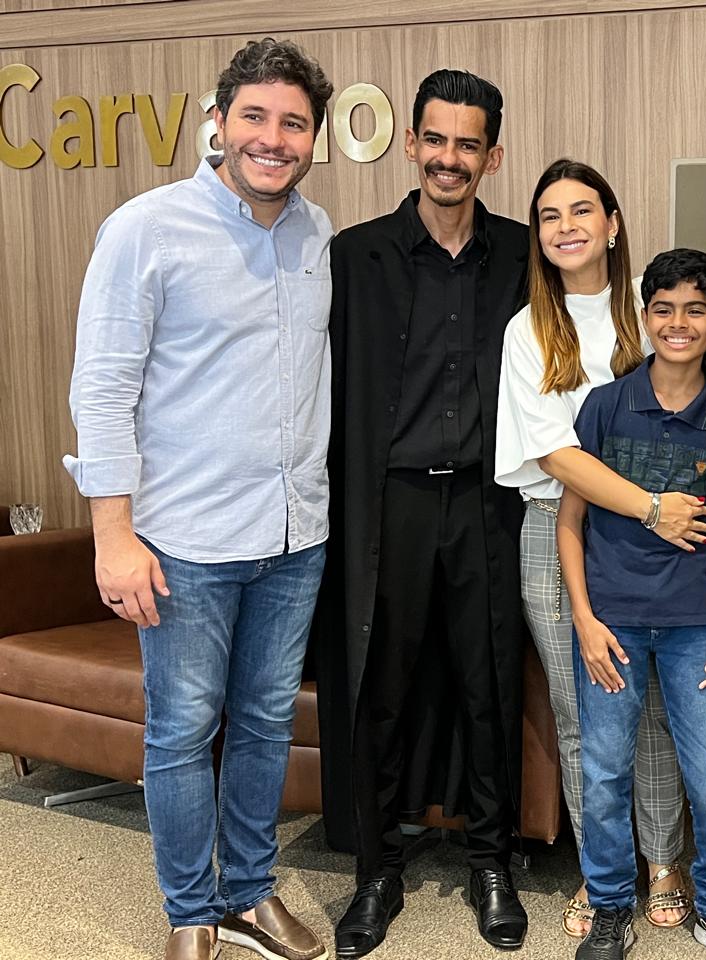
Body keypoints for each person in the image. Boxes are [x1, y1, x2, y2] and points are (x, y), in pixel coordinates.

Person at [63, 38, 333, 960]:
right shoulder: (145, 228)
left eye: (293, 123)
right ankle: (191, 911)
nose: (272, 138)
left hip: (295, 537)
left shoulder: (317, 235)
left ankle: (250, 893)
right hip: (183, 542)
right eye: (254, 116)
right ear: (218, 121)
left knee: (264, 723)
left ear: (313, 138)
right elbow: (103, 388)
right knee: (181, 732)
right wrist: (112, 536)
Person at [318, 70, 529, 957]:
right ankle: (377, 870)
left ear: (492, 156)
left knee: (490, 683)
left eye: (467, 144)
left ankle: (490, 862)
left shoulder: (523, 255)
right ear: (410, 144)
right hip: (389, 503)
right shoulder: (354, 256)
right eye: (435, 139)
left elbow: (626, 304)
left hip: (488, 500)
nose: (450, 158)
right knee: (381, 688)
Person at [495, 159, 706, 937]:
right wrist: (648, 506)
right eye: (550, 215)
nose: (567, 227)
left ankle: (664, 862)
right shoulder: (528, 329)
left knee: (651, 708)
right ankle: (602, 868)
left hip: (661, 533)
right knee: (582, 709)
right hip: (559, 525)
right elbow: (557, 454)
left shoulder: (651, 307)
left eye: (582, 210)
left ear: (613, 224)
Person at [559, 248, 706, 960]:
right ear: (645, 316)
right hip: (611, 622)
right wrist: (585, 619)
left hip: (696, 625)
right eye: (664, 309)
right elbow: (570, 522)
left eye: (695, 310)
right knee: (604, 771)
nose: (679, 323)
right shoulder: (605, 404)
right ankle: (610, 905)